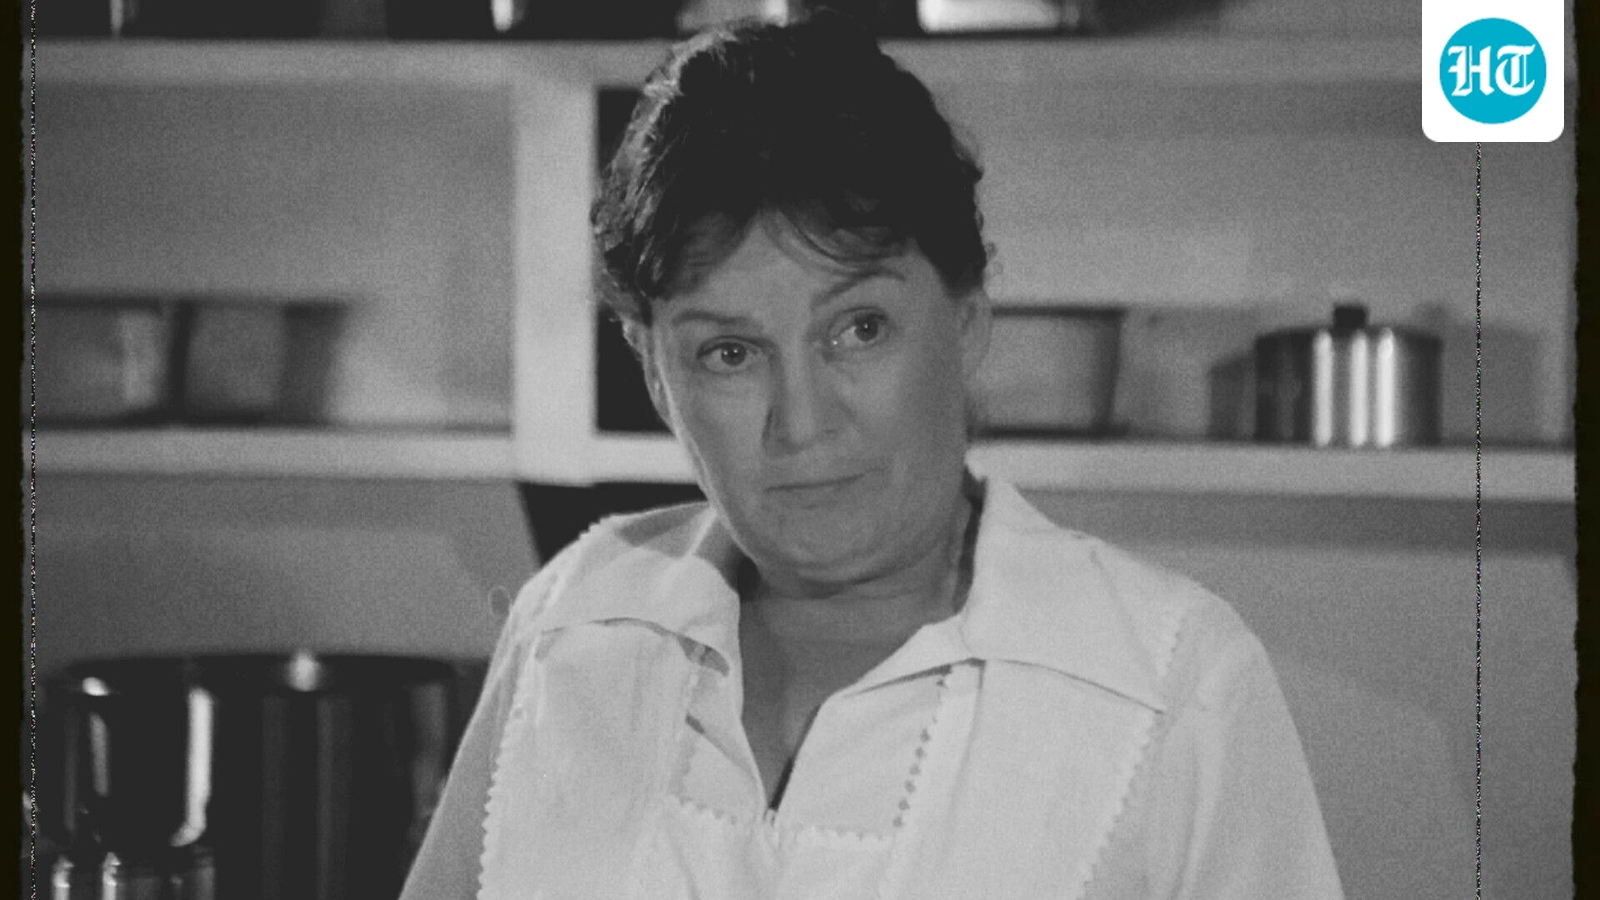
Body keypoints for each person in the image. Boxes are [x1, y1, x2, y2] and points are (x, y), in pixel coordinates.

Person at [400, 14, 1344, 900]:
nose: (802, 423)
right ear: (654, 369)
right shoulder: (573, 624)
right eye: (729, 353)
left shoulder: (1170, 685)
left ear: (966, 320)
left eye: (859, 329)